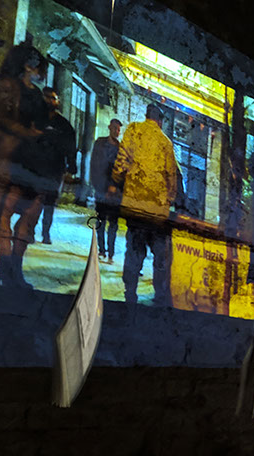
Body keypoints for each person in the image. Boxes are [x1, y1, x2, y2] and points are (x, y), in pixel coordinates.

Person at [0, 43, 48, 289]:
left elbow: (42, 124)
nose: (40, 72)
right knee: (4, 213)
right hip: (10, 157)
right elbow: (2, 120)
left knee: (28, 215)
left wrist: (39, 135)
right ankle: (7, 265)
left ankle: (13, 267)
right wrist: (28, 133)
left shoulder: (37, 94)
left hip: (32, 161)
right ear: (27, 65)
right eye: (38, 67)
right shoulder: (7, 86)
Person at [109, 103, 178, 306]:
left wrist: (117, 181)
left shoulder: (133, 131)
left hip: (135, 206)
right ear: (160, 121)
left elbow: (120, 164)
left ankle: (130, 292)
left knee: (134, 250)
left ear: (146, 115)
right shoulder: (165, 142)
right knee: (160, 254)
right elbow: (171, 177)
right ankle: (159, 294)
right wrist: (169, 199)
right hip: (157, 211)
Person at [36, 87, 78, 245]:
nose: (49, 101)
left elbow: (71, 148)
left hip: (55, 168)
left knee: (49, 201)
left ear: (58, 102)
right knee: (34, 199)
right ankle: (28, 229)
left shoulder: (64, 125)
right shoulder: (36, 120)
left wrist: (71, 168)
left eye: (53, 98)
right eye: (46, 97)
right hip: (35, 165)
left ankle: (45, 233)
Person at [89, 118, 123, 263]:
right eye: (114, 128)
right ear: (109, 127)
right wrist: (96, 184)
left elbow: (122, 170)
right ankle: (101, 249)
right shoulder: (100, 143)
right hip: (101, 188)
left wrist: (116, 186)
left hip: (115, 192)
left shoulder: (121, 149)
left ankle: (111, 253)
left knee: (113, 224)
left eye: (118, 129)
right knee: (101, 220)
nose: (116, 131)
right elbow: (94, 164)